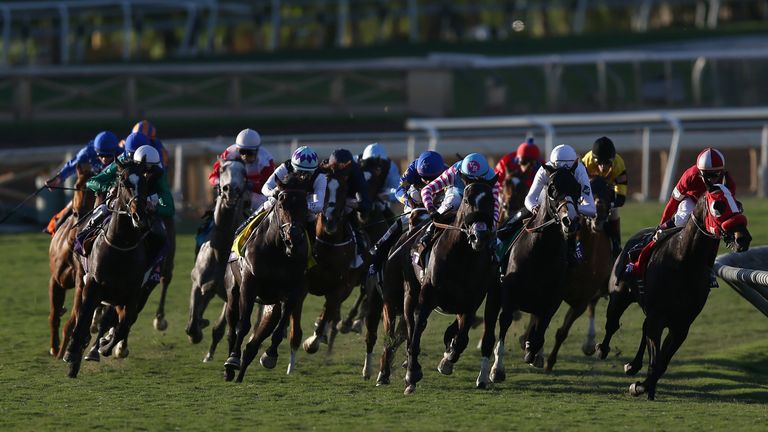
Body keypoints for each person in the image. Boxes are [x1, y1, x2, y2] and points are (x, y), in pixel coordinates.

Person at [625, 147, 735, 287]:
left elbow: (730, 207)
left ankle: (709, 269)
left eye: (716, 175)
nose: (712, 180)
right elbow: (674, 201)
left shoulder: (727, 181)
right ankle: (642, 258)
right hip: (692, 201)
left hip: (711, 207)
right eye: (708, 175)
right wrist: (663, 223)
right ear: (699, 171)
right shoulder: (690, 176)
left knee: (715, 229)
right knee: (682, 219)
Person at [84, 143, 173, 281]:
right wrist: (112, 187)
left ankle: (149, 273)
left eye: (151, 168)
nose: (149, 172)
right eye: (147, 168)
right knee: (92, 220)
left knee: (161, 236)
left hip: (141, 211)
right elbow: (91, 182)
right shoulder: (123, 163)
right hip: (116, 204)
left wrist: (154, 205)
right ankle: (82, 259)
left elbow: (169, 207)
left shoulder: (158, 173)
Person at [232, 146, 325, 256]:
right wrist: (273, 193)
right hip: (283, 200)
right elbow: (265, 188)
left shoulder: (320, 176)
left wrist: (300, 205)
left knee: (311, 219)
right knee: (267, 205)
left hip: (304, 204)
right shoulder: (286, 166)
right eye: (300, 172)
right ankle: (241, 233)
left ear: (314, 170)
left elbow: (319, 205)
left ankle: (314, 253)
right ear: (293, 166)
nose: (303, 177)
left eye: (307, 173)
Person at [510, 144, 596, 263]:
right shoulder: (545, 170)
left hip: (569, 207)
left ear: (573, 166)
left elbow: (591, 209)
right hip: (545, 203)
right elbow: (529, 198)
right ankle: (502, 240)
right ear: (553, 165)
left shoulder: (579, 170)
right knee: (515, 219)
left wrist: (570, 208)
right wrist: (534, 207)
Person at [368, 150, 447, 276]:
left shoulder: (448, 172)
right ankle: (376, 259)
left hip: (438, 207)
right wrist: (410, 202)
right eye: (424, 178)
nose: (427, 181)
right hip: (415, 205)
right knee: (397, 226)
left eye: (431, 179)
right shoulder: (412, 169)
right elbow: (399, 190)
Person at [417, 153, 501, 265]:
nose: (473, 184)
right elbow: (426, 190)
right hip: (458, 195)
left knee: (492, 226)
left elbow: (495, 206)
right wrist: (431, 210)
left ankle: (497, 256)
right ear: (462, 174)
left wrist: (493, 225)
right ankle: (429, 233)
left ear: (484, 176)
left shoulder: (492, 177)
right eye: (469, 179)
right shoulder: (454, 171)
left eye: (478, 179)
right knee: (451, 203)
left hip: (480, 200)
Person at [43, 131, 122, 234]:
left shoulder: (121, 154)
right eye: (101, 155)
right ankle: (54, 225)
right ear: (95, 151)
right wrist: (58, 179)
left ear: (115, 151)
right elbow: (72, 165)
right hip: (94, 189)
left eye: (108, 156)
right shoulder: (88, 151)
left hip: (112, 190)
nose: (104, 159)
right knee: (74, 205)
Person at [581, 136, 628, 256]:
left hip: (608, 193)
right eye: (599, 163)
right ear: (593, 159)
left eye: (607, 163)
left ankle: (616, 243)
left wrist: (614, 203)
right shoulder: (585, 163)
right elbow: (579, 186)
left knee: (614, 213)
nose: (603, 167)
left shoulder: (619, 164)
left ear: (613, 160)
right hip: (590, 192)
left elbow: (621, 193)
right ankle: (573, 242)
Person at [208, 128, 275, 211]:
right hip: (232, 189)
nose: (245, 157)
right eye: (242, 152)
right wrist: (220, 183)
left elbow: (268, 187)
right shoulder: (228, 154)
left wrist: (249, 185)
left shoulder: (266, 161)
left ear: (257, 150)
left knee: (261, 202)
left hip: (255, 192)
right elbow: (212, 177)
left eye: (249, 153)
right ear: (237, 149)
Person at [359, 142, 400, 208]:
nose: (375, 170)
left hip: (381, 198)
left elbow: (400, 191)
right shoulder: (354, 164)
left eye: (378, 166)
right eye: (371, 165)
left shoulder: (391, 168)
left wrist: (386, 196)